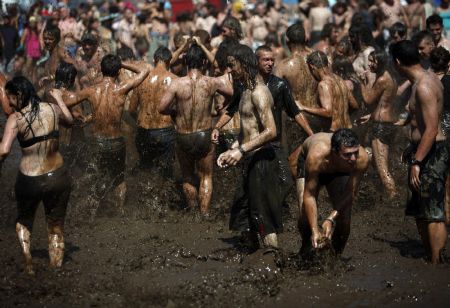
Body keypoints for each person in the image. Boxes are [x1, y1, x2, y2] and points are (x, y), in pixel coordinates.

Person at [0, 76, 73, 274]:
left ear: (19, 95)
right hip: (57, 176)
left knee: (24, 220)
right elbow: (70, 120)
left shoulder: (15, 119)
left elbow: (4, 150)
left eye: (9, 97)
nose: (7, 102)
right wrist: (57, 98)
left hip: (28, 179)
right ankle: (56, 270)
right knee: (55, 226)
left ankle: (28, 261)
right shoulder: (51, 109)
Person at [65, 54, 150, 217]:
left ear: (101, 70)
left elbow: (68, 101)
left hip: (97, 142)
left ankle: (90, 211)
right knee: (119, 179)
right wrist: (122, 64)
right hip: (116, 143)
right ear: (118, 71)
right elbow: (145, 71)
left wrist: (59, 98)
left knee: (95, 176)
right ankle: (119, 211)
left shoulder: (91, 90)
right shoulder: (122, 88)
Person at [217, 44, 279, 250]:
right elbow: (248, 130)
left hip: (261, 161)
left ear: (243, 65)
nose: (229, 70)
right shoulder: (245, 91)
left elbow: (271, 131)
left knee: (264, 217)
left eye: (232, 65)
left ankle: (272, 258)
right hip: (249, 159)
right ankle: (251, 254)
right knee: (243, 211)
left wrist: (241, 151)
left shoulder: (259, 92)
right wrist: (232, 148)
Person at [391, 40, 448, 264]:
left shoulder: (424, 85)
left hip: (432, 153)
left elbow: (432, 129)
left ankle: (435, 263)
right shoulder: (421, 81)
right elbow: (421, 124)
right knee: (420, 209)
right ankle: (429, 257)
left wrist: (417, 161)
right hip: (422, 150)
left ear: (397, 62)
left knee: (433, 212)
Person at [159, 45, 233, 215]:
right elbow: (233, 94)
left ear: (185, 61)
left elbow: (162, 108)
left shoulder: (177, 83)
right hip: (204, 134)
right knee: (206, 176)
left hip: (183, 135)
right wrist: (223, 105)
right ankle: (204, 214)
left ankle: (192, 211)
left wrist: (175, 112)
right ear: (204, 62)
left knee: (187, 176)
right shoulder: (211, 82)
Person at [296, 129, 369, 256]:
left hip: (339, 170)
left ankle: (334, 259)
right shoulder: (316, 156)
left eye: (355, 152)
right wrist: (314, 230)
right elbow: (309, 195)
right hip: (312, 163)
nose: (353, 158)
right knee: (304, 216)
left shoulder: (361, 158)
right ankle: (307, 249)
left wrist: (331, 218)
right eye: (347, 154)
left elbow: (350, 192)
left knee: (345, 218)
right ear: (334, 152)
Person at [129, 46, 176, 175]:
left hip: (143, 131)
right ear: (169, 61)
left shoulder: (142, 79)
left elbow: (131, 109)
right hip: (165, 131)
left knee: (145, 170)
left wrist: (140, 121)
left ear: (154, 60)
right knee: (165, 174)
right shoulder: (175, 80)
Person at [360, 48, 398, 198]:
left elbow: (368, 99)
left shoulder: (382, 79)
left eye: (372, 61)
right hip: (387, 123)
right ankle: (384, 196)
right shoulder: (391, 77)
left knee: (383, 169)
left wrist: (362, 82)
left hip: (381, 127)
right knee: (377, 164)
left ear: (380, 62)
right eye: (369, 60)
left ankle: (393, 200)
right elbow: (386, 103)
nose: (369, 64)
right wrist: (371, 116)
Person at [299, 51, 358, 133]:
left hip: (335, 133)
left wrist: (303, 107)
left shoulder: (323, 85)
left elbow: (328, 112)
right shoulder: (340, 79)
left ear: (313, 68)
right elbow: (354, 105)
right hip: (348, 129)